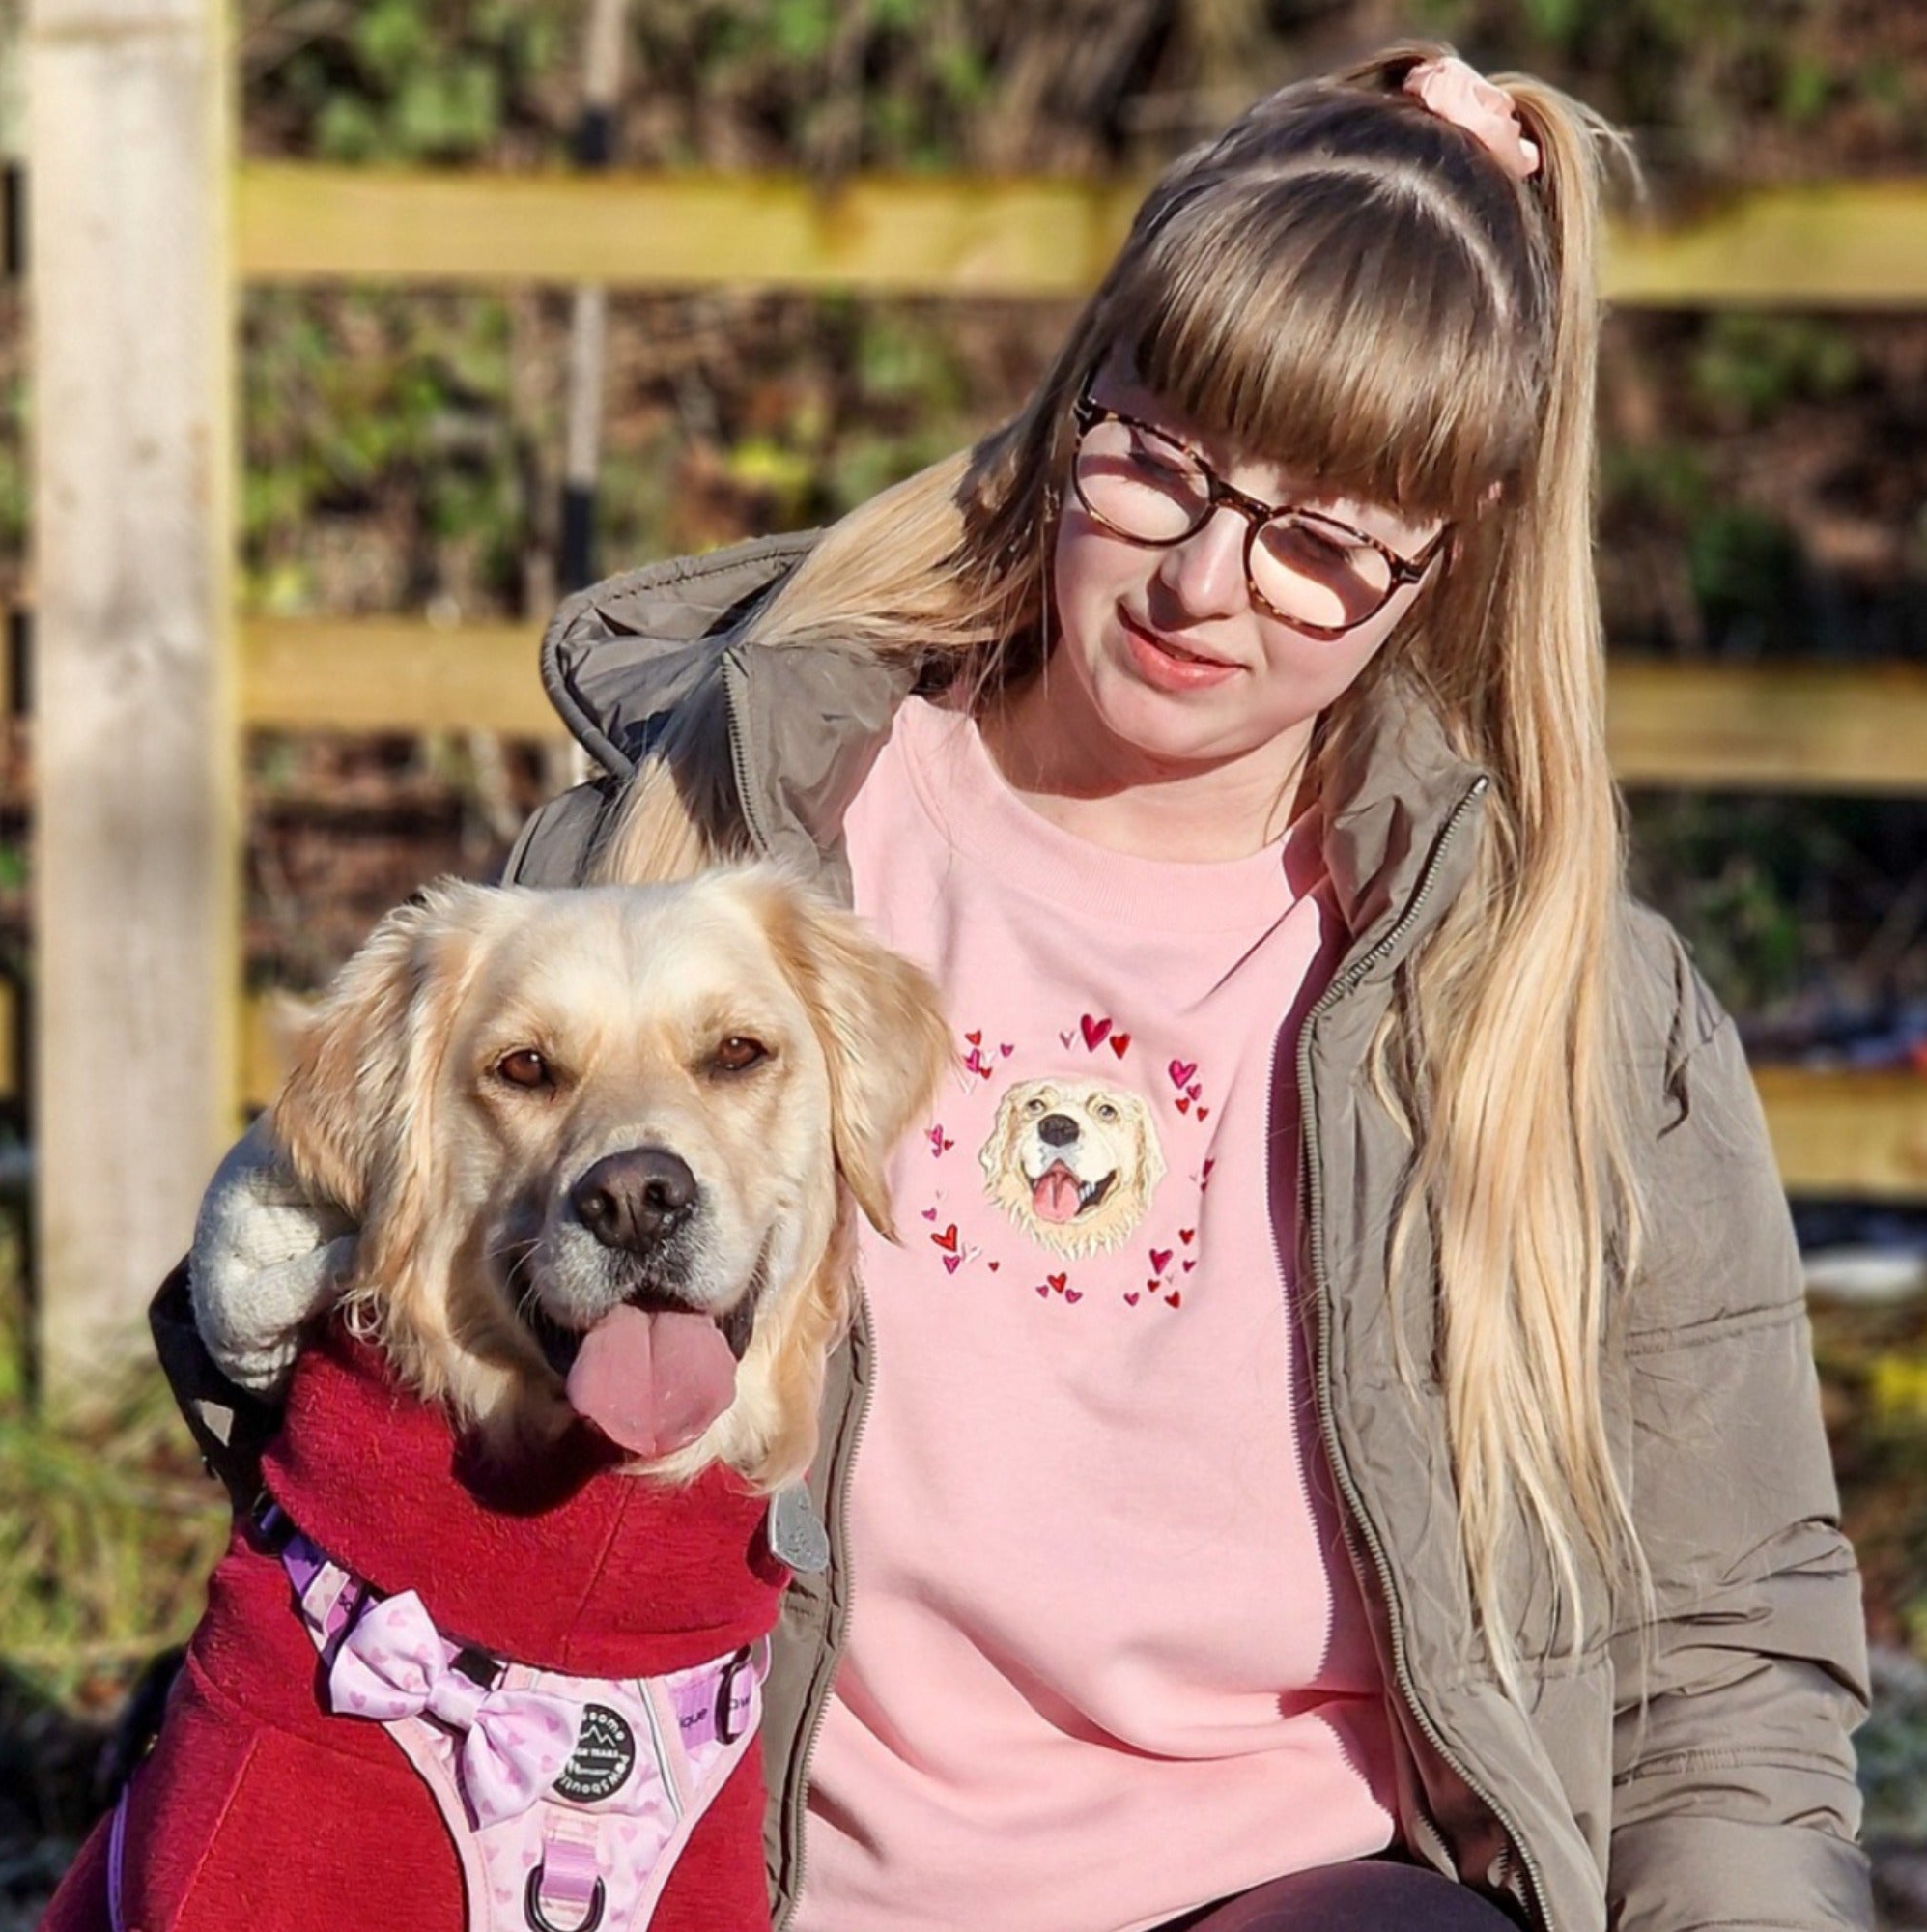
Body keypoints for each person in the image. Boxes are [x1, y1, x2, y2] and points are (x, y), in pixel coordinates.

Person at [163, 43, 1872, 1932]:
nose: (1202, 584)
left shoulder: (1561, 1011)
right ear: (1082, 401)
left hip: (1275, 1891)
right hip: (734, 1875)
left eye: (1318, 547)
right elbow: (323, 1391)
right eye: (1164, 467)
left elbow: (1725, 1659)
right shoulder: (721, 842)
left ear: (1441, 560)